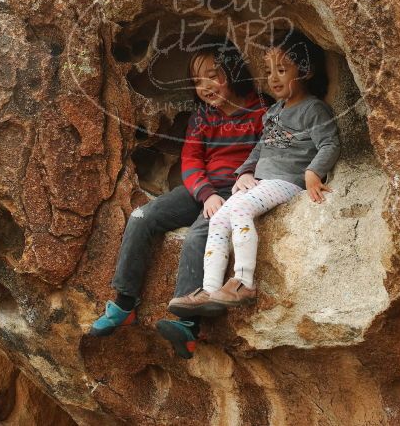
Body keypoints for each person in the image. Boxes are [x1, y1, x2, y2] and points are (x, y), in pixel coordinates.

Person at [88, 39, 267, 359]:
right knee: (143, 216)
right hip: (204, 188)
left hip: (237, 190)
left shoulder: (259, 110)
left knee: (203, 231)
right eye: (198, 81)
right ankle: (124, 304)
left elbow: (268, 149)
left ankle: (186, 325)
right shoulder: (202, 118)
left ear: (234, 71)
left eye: (214, 75)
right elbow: (192, 161)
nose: (206, 86)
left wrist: (247, 176)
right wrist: (206, 193)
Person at [167, 30, 339, 313]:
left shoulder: (314, 109)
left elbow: (330, 142)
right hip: (261, 182)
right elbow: (261, 147)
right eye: (269, 71)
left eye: (282, 70)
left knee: (238, 209)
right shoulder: (274, 112)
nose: (273, 78)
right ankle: (210, 291)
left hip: (286, 182)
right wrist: (245, 171)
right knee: (219, 218)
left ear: (305, 71)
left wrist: (313, 172)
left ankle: (243, 282)